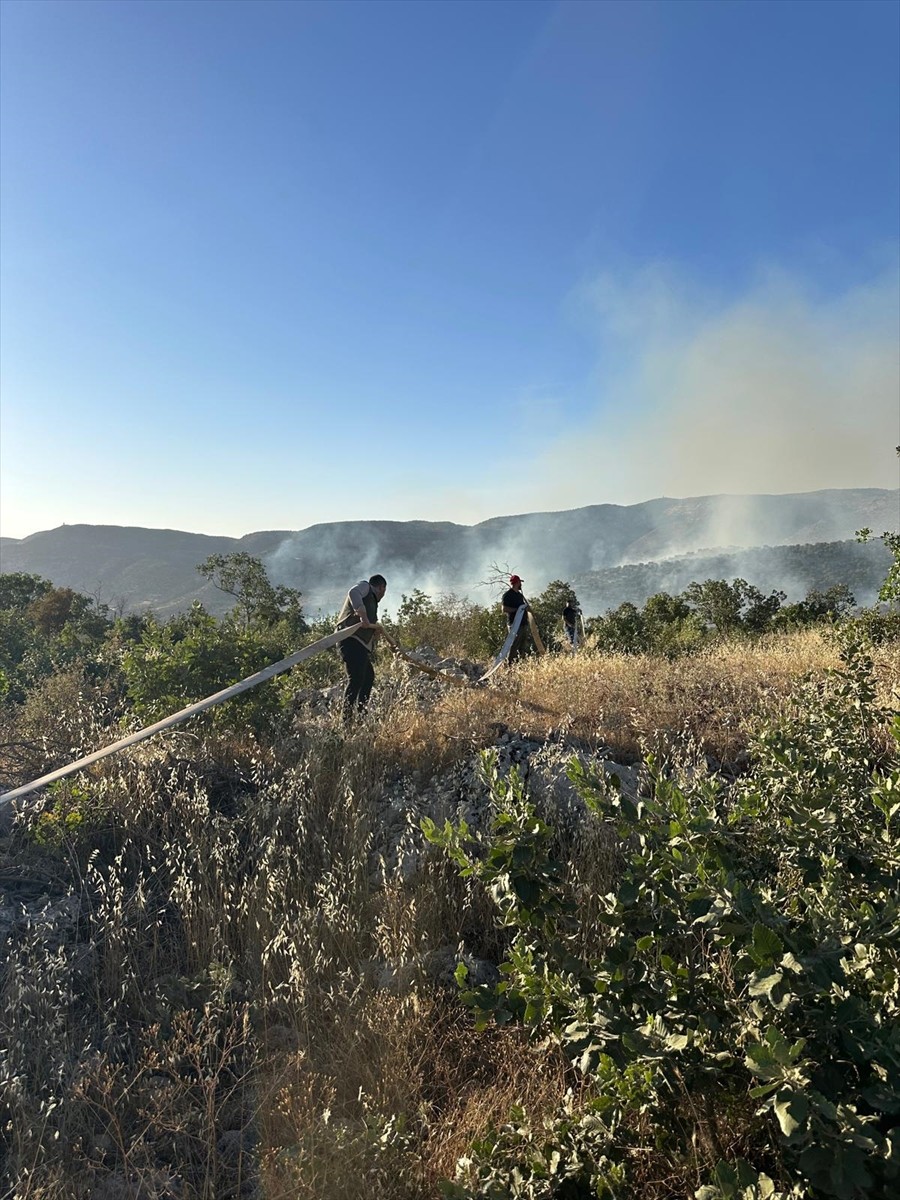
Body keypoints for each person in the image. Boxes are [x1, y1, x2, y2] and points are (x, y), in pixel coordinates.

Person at [335, 574, 387, 718]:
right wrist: (362, 615)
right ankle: (346, 720)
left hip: (359, 645)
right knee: (356, 679)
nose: (383, 594)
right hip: (349, 640)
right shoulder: (366, 587)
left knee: (368, 677)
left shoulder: (372, 605)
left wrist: (375, 631)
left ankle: (361, 714)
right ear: (381, 587)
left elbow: (367, 628)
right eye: (384, 590)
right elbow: (353, 592)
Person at [500, 574, 530, 663]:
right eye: (520, 582)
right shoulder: (507, 595)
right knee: (514, 645)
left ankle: (520, 664)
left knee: (522, 645)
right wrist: (517, 610)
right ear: (517, 583)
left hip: (523, 623)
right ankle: (510, 664)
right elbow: (504, 609)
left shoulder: (520, 595)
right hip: (515, 624)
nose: (521, 584)